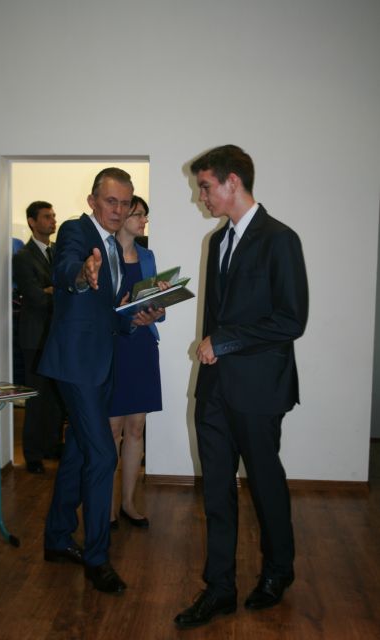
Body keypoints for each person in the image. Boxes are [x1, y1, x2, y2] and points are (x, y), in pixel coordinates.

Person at [174, 145, 309, 629]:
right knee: (216, 491)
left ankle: (277, 572)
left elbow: (292, 320)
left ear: (233, 182)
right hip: (214, 391)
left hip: (259, 390)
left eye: (205, 186)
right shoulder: (216, 243)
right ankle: (220, 588)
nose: (201, 196)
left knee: (265, 486)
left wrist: (225, 341)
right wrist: (210, 353)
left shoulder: (280, 239)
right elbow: (216, 319)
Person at [38, 168, 165, 594]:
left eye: (126, 203)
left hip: (103, 365)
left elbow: (110, 314)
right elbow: (68, 270)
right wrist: (82, 274)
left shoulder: (114, 246)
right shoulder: (77, 231)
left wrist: (136, 317)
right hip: (77, 367)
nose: (119, 209)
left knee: (78, 454)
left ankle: (57, 538)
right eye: (111, 201)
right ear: (92, 201)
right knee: (102, 455)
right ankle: (97, 558)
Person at [109, 196, 163, 529]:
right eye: (139, 214)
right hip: (114, 347)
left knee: (136, 428)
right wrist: (124, 314)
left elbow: (155, 305)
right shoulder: (103, 252)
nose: (144, 220)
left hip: (142, 345)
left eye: (145, 215)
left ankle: (128, 503)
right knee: (112, 430)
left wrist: (157, 310)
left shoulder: (147, 256)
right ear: (123, 216)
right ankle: (106, 507)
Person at [12, 202, 66, 474]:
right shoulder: (22, 256)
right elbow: (34, 297)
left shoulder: (58, 251)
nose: (52, 220)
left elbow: (65, 289)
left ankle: (52, 445)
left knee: (56, 395)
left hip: (57, 336)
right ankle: (32, 454)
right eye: (46, 217)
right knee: (36, 397)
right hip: (34, 337)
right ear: (32, 222)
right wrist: (54, 292)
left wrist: (52, 290)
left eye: (53, 216)